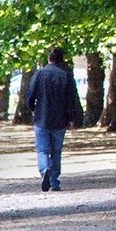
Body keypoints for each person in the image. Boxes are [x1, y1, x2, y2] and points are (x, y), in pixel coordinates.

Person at [26, 47, 83, 192]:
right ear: (62, 59)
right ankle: (55, 182)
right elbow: (72, 99)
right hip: (60, 119)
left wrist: (33, 109)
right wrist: (71, 118)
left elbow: (30, 95)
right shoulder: (66, 75)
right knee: (56, 151)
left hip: (41, 118)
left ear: (48, 58)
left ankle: (44, 169)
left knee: (42, 150)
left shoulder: (39, 74)